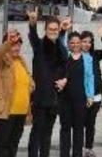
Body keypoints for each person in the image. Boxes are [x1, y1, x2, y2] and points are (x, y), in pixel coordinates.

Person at [0, 29, 32, 157]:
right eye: (13, 44)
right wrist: (8, 43)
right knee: (2, 147)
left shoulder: (21, 61)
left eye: (18, 44)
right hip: (4, 113)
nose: (16, 47)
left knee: (13, 146)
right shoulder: (0, 62)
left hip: (20, 113)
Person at [27, 11, 65, 157]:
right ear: (46, 30)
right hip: (40, 98)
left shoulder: (60, 47)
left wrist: (64, 80)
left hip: (55, 99)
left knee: (48, 132)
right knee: (37, 130)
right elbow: (33, 36)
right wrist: (32, 22)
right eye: (51, 29)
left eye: (56, 29)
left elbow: (65, 66)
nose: (53, 32)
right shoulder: (39, 45)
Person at [57, 31, 95, 157]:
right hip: (65, 98)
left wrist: (90, 95)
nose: (75, 45)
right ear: (68, 44)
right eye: (72, 42)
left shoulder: (88, 58)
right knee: (65, 128)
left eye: (78, 42)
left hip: (80, 98)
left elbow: (90, 78)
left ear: (81, 43)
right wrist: (63, 31)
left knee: (79, 129)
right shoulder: (64, 56)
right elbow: (59, 43)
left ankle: (77, 154)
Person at [80, 29, 102, 157]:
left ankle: (88, 148)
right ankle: (78, 147)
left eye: (89, 42)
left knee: (91, 124)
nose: (87, 44)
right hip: (82, 95)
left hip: (96, 95)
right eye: (84, 41)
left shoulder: (95, 55)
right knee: (80, 123)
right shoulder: (76, 56)